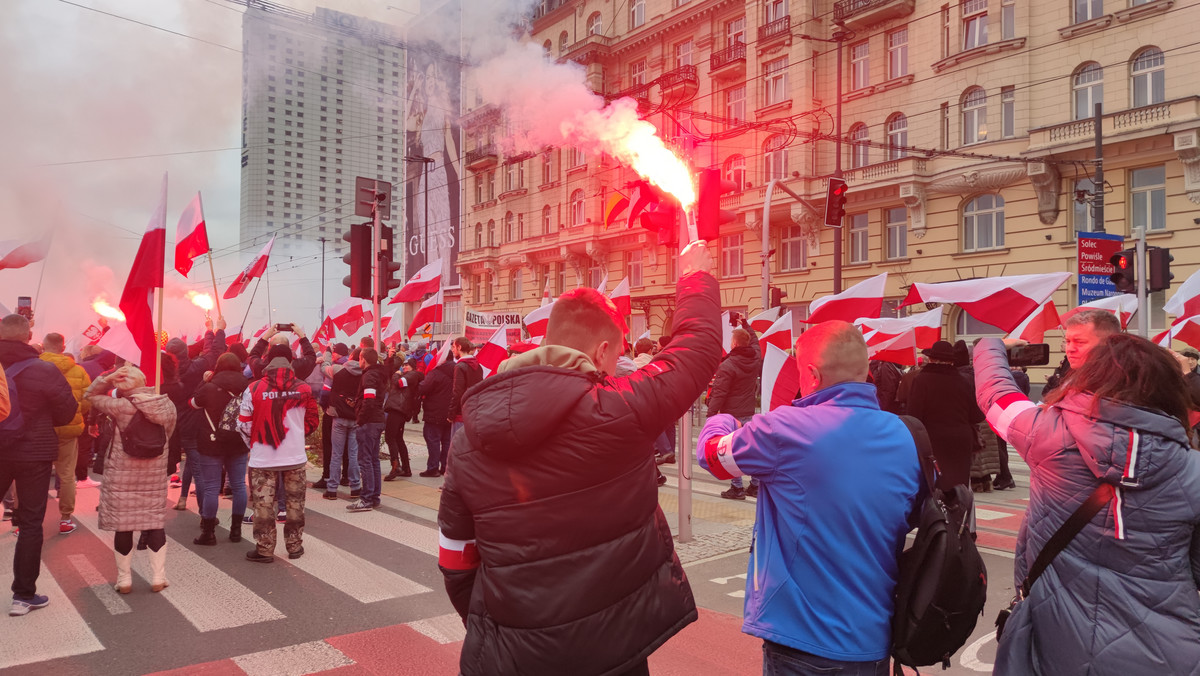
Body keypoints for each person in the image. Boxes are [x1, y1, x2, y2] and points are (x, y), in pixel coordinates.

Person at [437, 241, 721, 676]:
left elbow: (456, 559)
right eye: (619, 352)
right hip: (612, 651)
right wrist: (696, 278)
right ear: (603, 351)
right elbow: (695, 351)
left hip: (508, 655)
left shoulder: (468, 437)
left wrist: (502, 624)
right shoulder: (621, 406)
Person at [696, 320, 922, 674]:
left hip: (803, 639)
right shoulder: (905, 435)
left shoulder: (783, 428)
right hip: (874, 639)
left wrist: (722, 420)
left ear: (812, 376)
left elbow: (712, 457)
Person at [975, 333, 1200, 675]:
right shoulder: (1192, 469)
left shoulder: (1043, 433)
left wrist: (990, 344)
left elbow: (995, 394)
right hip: (1166, 649)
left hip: (1057, 640)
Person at [0, 314, 77, 615]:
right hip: (34, 453)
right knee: (31, 523)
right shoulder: (45, 370)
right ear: (28, 336)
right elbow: (67, 413)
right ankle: (23, 596)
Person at [85, 365, 176, 595]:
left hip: (122, 472)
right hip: (154, 472)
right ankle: (158, 576)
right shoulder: (165, 404)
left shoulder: (120, 407)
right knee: (154, 521)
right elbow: (169, 434)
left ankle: (124, 579)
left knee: (123, 525)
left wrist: (106, 378)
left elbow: (90, 396)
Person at [238, 350, 319, 562]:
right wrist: (296, 435)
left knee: (263, 506)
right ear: (291, 367)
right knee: (294, 504)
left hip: (263, 456)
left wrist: (254, 442)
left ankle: (264, 549)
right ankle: (294, 546)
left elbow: (243, 423)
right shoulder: (304, 389)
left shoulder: (253, 388)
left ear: (267, 367)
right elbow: (312, 420)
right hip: (294, 456)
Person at [907, 340, 984, 492]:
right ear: (951, 361)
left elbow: (914, 416)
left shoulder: (921, 380)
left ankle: (937, 513)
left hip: (932, 441)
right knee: (958, 487)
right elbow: (976, 415)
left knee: (934, 485)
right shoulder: (963, 381)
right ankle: (959, 512)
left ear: (932, 359)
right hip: (960, 441)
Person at [190, 352, 250, 545]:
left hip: (211, 442)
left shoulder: (209, 387)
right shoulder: (248, 387)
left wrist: (203, 382)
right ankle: (235, 531)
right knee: (239, 485)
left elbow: (192, 403)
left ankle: (208, 534)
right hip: (238, 442)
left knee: (211, 487)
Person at [39, 332, 92, 535]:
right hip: (69, 428)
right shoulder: (78, 371)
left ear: (44, 347)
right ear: (63, 348)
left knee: (33, 476)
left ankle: (23, 522)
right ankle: (65, 518)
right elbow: (87, 400)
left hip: (40, 429)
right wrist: (77, 412)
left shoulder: (34, 367)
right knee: (67, 474)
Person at [707, 318, 761, 500]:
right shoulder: (755, 358)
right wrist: (746, 324)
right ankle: (755, 484)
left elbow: (720, 392)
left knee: (731, 452)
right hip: (749, 412)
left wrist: (711, 414)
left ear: (735, 344)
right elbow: (755, 342)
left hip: (732, 415)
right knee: (751, 449)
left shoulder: (728, 365)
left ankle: (737, 487)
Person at [1043, 309, 1122, 398]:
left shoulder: (1122, 385)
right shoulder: (1071, 372)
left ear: (1108, 344)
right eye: (1068, 341)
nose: (1070, 349)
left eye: (1080, 342)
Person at [348, 348, 386, 512]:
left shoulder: (369, 375)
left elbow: (369, 400)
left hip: (369, 422)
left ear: (363, 359)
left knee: (365, 461)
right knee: (373, 460)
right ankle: (374, 496)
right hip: (377, 420)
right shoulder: (379, 374)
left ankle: (366, 499)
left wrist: (360, 419)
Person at [325, 346, 362, 500]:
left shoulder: (338, 370)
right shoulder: (364, 373)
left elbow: (324, 367)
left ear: (350, 356)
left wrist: (327, 353)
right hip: (355, 417)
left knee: (336, 454)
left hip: (339, 416)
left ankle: (332, 489)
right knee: (353, 454)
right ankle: (355, 488)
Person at [313, 343, 350, 491]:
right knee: (348, 446)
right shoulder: (352, 368)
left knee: (329, 445)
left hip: (332, 411)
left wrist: (323, 406)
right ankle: (346, 476)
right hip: (349, 411)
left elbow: (325, 392)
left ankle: (327, 476)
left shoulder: (334, 369)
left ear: (337, 354)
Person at [383, 358, 422, 480]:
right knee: (398, 439)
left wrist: (396, 374)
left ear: (412, 367)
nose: (403, 367)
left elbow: (398, 383)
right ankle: (406, 468)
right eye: (403, 365)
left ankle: (396, 466)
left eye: (406, 365)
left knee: (390, 437)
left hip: (397, 409)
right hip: (400, 409)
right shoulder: (411, 375)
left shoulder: (412, 375)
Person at [418, 352, 454, 478]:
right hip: (450, 413)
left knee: (433, 440)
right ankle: (445, 467)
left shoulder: (435, 373)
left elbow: (423, 388)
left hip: (434, 413)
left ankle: (433, 468)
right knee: (447, 442)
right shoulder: (458, 371)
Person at [247, 325, 317, 380]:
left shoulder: (261, 367)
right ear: (289, 349)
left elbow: (253, 355)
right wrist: (301, 335)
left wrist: (265, 337)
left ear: (269, 348)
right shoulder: (298, 366)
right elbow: (311, 357)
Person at [447, 337, 482, 439]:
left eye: (453, 347)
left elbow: (457, 391)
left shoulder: (460, 366)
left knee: (458, 444)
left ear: (459, 347)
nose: (452, 350)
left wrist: (451, 414)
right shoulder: (477, 365)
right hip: (474, 410)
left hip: (461, 412)